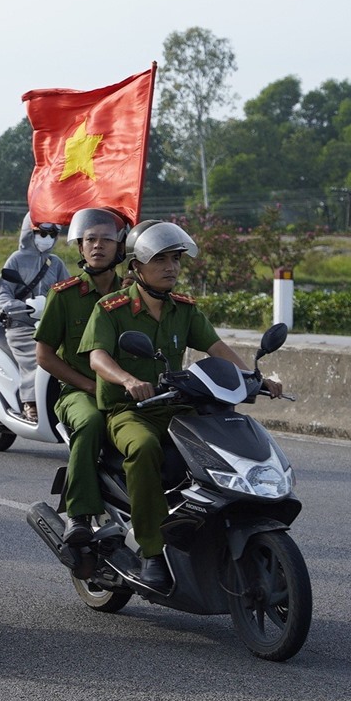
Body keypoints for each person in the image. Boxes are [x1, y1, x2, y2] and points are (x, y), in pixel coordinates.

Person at [78, 220, 283, 594]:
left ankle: (208, 525)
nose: (171, 267)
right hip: (129, 411)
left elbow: (217, 348)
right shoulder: (112, 308)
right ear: (137, 267)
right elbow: (97, 357)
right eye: (160, 260)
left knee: (219, 441)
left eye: (175, 259)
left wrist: (256, 377)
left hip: (175, 406)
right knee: (144, 448)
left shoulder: (184, 310)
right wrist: (127, 380)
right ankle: (152, 552)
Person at [31, 207, 130, 545]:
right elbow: (44, 356)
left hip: (130, 389)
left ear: (121, 247)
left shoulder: (135, 293)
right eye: (90, 239)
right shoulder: (64, 295)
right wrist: (89, 385)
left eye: (107, 239)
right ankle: (79, 515)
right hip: (79, 392)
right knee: (89, 423)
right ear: (80, 246)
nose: (98, 246)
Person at [0, 217, 71, 422]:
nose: (47, 239)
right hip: (21, 326)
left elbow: (68, 291)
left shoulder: (55, 263)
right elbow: (2, 295)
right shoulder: (16, 259)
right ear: (30, 232)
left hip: (48, 326)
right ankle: (30, 402)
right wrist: (24, 307)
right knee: (35, 359)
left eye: (52, 235)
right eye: (42, 233)